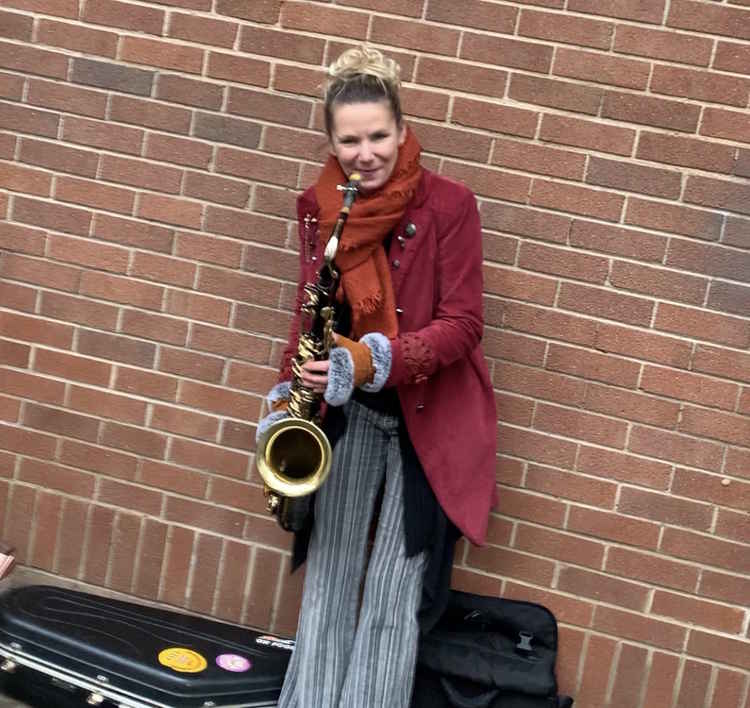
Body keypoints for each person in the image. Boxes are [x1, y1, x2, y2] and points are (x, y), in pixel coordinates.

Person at [256, 45, 497, 708]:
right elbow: (308, 310)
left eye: (380, 136)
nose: (367, 153)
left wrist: (369, 360)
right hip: (346, 416)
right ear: (331, 141)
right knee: (330, 581)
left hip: (429, 420)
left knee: (393, 598)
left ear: (402, 126)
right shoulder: (318, 207)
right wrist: (287, 397)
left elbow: (464, 323)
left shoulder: (451, 205)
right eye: (351, 140)